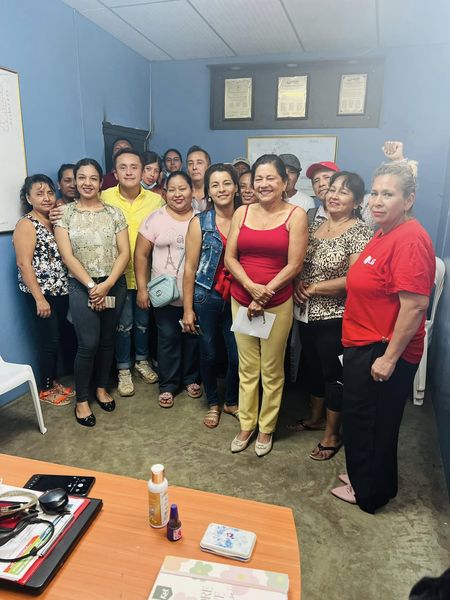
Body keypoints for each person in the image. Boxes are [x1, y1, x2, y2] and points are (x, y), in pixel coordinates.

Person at [331, 162, 435, 512]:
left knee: (370, 423)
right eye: (374, 193)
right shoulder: (385, 231)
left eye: (388, 194)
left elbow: (415, 305)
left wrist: (389, 358)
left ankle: (369, 493)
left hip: (382, 348)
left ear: (409, 200)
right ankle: (374, 479)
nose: (376, 201)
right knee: (370, 422)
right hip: (365, 341)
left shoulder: (410, 239)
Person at [225, 154, 308, 456]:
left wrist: (265, 293)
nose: (263, 184)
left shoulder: (296, 215)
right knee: (247, 367)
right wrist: (250, 288)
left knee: (271, 369)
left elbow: (295, 264)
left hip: (277, 303)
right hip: (241, 300)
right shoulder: (242, 212)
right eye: (258, 178)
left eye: (270, 178)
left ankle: (266, 427)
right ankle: (247, 424)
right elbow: (230, 258)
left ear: (284, 182)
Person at [292, 172, 373, 460]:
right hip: (305, 312)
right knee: (312, 368)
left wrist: (315, 288)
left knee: (333, 374)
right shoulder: (315, 226)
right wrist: (298, 282)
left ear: (358, 202)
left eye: (344, 192)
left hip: (336, 315)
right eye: (332, 189)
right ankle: (316, 419)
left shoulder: (360, 232)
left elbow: (354, 279)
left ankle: (332, 434)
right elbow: (299, 263)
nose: (334, 195)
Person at [55, 158, 130, 427]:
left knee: (108, 340)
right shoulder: (65, 214)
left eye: (93, 178)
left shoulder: (114, 213)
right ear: (75, 182)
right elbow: (67, 256)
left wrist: (106, 284)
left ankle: (101, 388)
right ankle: (82, 400)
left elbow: (125, 253)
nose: (87, 183)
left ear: (101, 183)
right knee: (88, 343)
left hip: (113, 284)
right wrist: (91, 287)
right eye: (82, 178)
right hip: (80, 286)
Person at [135, 171, 200, 408]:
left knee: (193, 336)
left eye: (183, 188)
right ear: (164, 193)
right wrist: (142, 289)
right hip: (164, 295)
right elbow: (140, 255)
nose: (177, 194)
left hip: (195, 293)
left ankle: (191, 379)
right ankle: (168, 385)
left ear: (192, 191)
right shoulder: (155, 219)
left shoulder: (201, 219)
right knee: (168, 338)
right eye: (172, 190)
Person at [102, 148, 164, 396]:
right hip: (115, 276)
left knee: (143, 324)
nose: (129, 172)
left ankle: (142, 361)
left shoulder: (156, 201)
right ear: (115, 173)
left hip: (146, 275)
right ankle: (123, 369)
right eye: (123, 167)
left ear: (142, 171)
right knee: (123, 325)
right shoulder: (104, 197)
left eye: (134, 167)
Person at [183, 163, 240, 428]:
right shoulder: (200, 222)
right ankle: (213, 403)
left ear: (236, 187)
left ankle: (231, 401)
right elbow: (190, 268)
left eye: (227, 183)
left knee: (237, 355)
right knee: (208, 353)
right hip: (206, 297)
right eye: (215, 185)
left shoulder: (247, 218)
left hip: (239, 297)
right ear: (208, 191)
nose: (221, 189)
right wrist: (187, 309)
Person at [13, 174, 74, 406]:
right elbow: (24, 264)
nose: (46, 197)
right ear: (29, 198)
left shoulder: (53, 220)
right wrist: (39, 299)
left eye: (49, 192)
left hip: (60, 291)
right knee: (49, 341)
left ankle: (54, 381)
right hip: (41, 294)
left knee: (58, 338)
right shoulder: (27, 224)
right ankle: (46, 389)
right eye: (39, 194)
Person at [186, 145, 211, 212]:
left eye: (199, 163)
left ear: (208, 167)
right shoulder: (182, 194)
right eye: (190, 163)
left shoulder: (215, 192)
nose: (194, 167)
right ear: (187, 169)